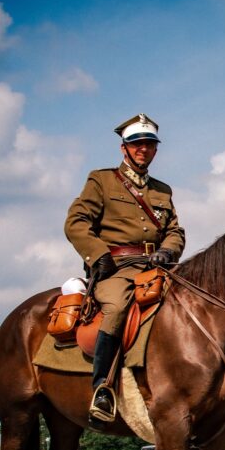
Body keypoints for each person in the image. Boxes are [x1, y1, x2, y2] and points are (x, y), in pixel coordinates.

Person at [65, 114, 185, 423]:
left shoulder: (162, 190)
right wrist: (98, 255)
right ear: (124, 148)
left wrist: (168, 250)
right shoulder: (101, 180)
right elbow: (76, 222)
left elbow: (174, 230)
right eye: (137, 144)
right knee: (118, 307)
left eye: (149, 144)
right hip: (117, 268)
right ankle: (102, 389)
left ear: (155, 150)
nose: (143, 149)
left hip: (157, 268)